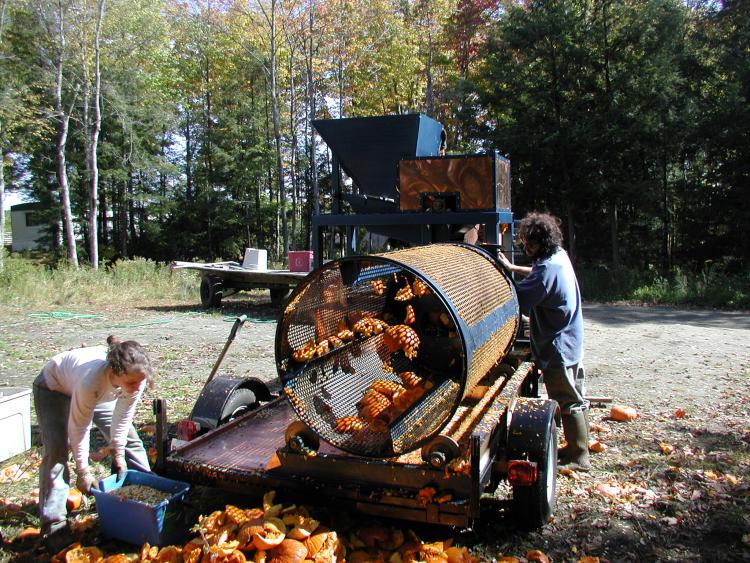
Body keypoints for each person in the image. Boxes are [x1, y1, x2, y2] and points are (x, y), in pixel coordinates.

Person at [33, 336, 154, 551]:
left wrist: (118, 455)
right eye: (131, 383)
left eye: (139, 382)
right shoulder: (91, 381)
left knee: (131, 441)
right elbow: (80, 429)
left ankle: (148, 497)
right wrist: (83, 472)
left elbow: (122, 418)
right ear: (115, 372)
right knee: (57, 452)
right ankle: (54, 525)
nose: (137, 388)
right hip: (54, 387)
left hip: (101, 392)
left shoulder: (136, 377)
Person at [497, 212, 589, 471]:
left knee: (566, 399)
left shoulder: (547, 269)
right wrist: (514, 269)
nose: (527, 249)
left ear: (544, 242)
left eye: (531, 244)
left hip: (557, 345)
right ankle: (577, 446)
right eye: (525, 243)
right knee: (576, 395)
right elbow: (539, 272)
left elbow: (517, 301)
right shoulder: (558, 257)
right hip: (572, 339)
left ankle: (578, 455)